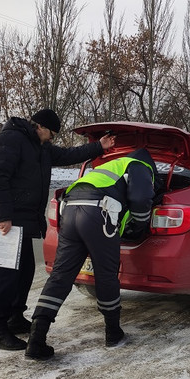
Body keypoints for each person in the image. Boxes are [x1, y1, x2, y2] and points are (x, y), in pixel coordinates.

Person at [0, 108, 115, 350]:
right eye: (51, 134)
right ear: (40, 126)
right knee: (5, 276)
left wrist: (100, 146)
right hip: (7, 221)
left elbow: (67, 155)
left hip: (23, 221)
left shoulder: (39, 146)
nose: (51, 139)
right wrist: (3, 216)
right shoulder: (10, 139)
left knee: (24, 272)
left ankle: (14, 318)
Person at [25, 147, 156, 360]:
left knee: (60, 276)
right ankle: (113, 334)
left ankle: (36, 340)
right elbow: (141, 198)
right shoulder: (141, 165)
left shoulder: (109, 167)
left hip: (69, 210)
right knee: (105, 275)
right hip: (98, 214)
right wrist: (139, 225)